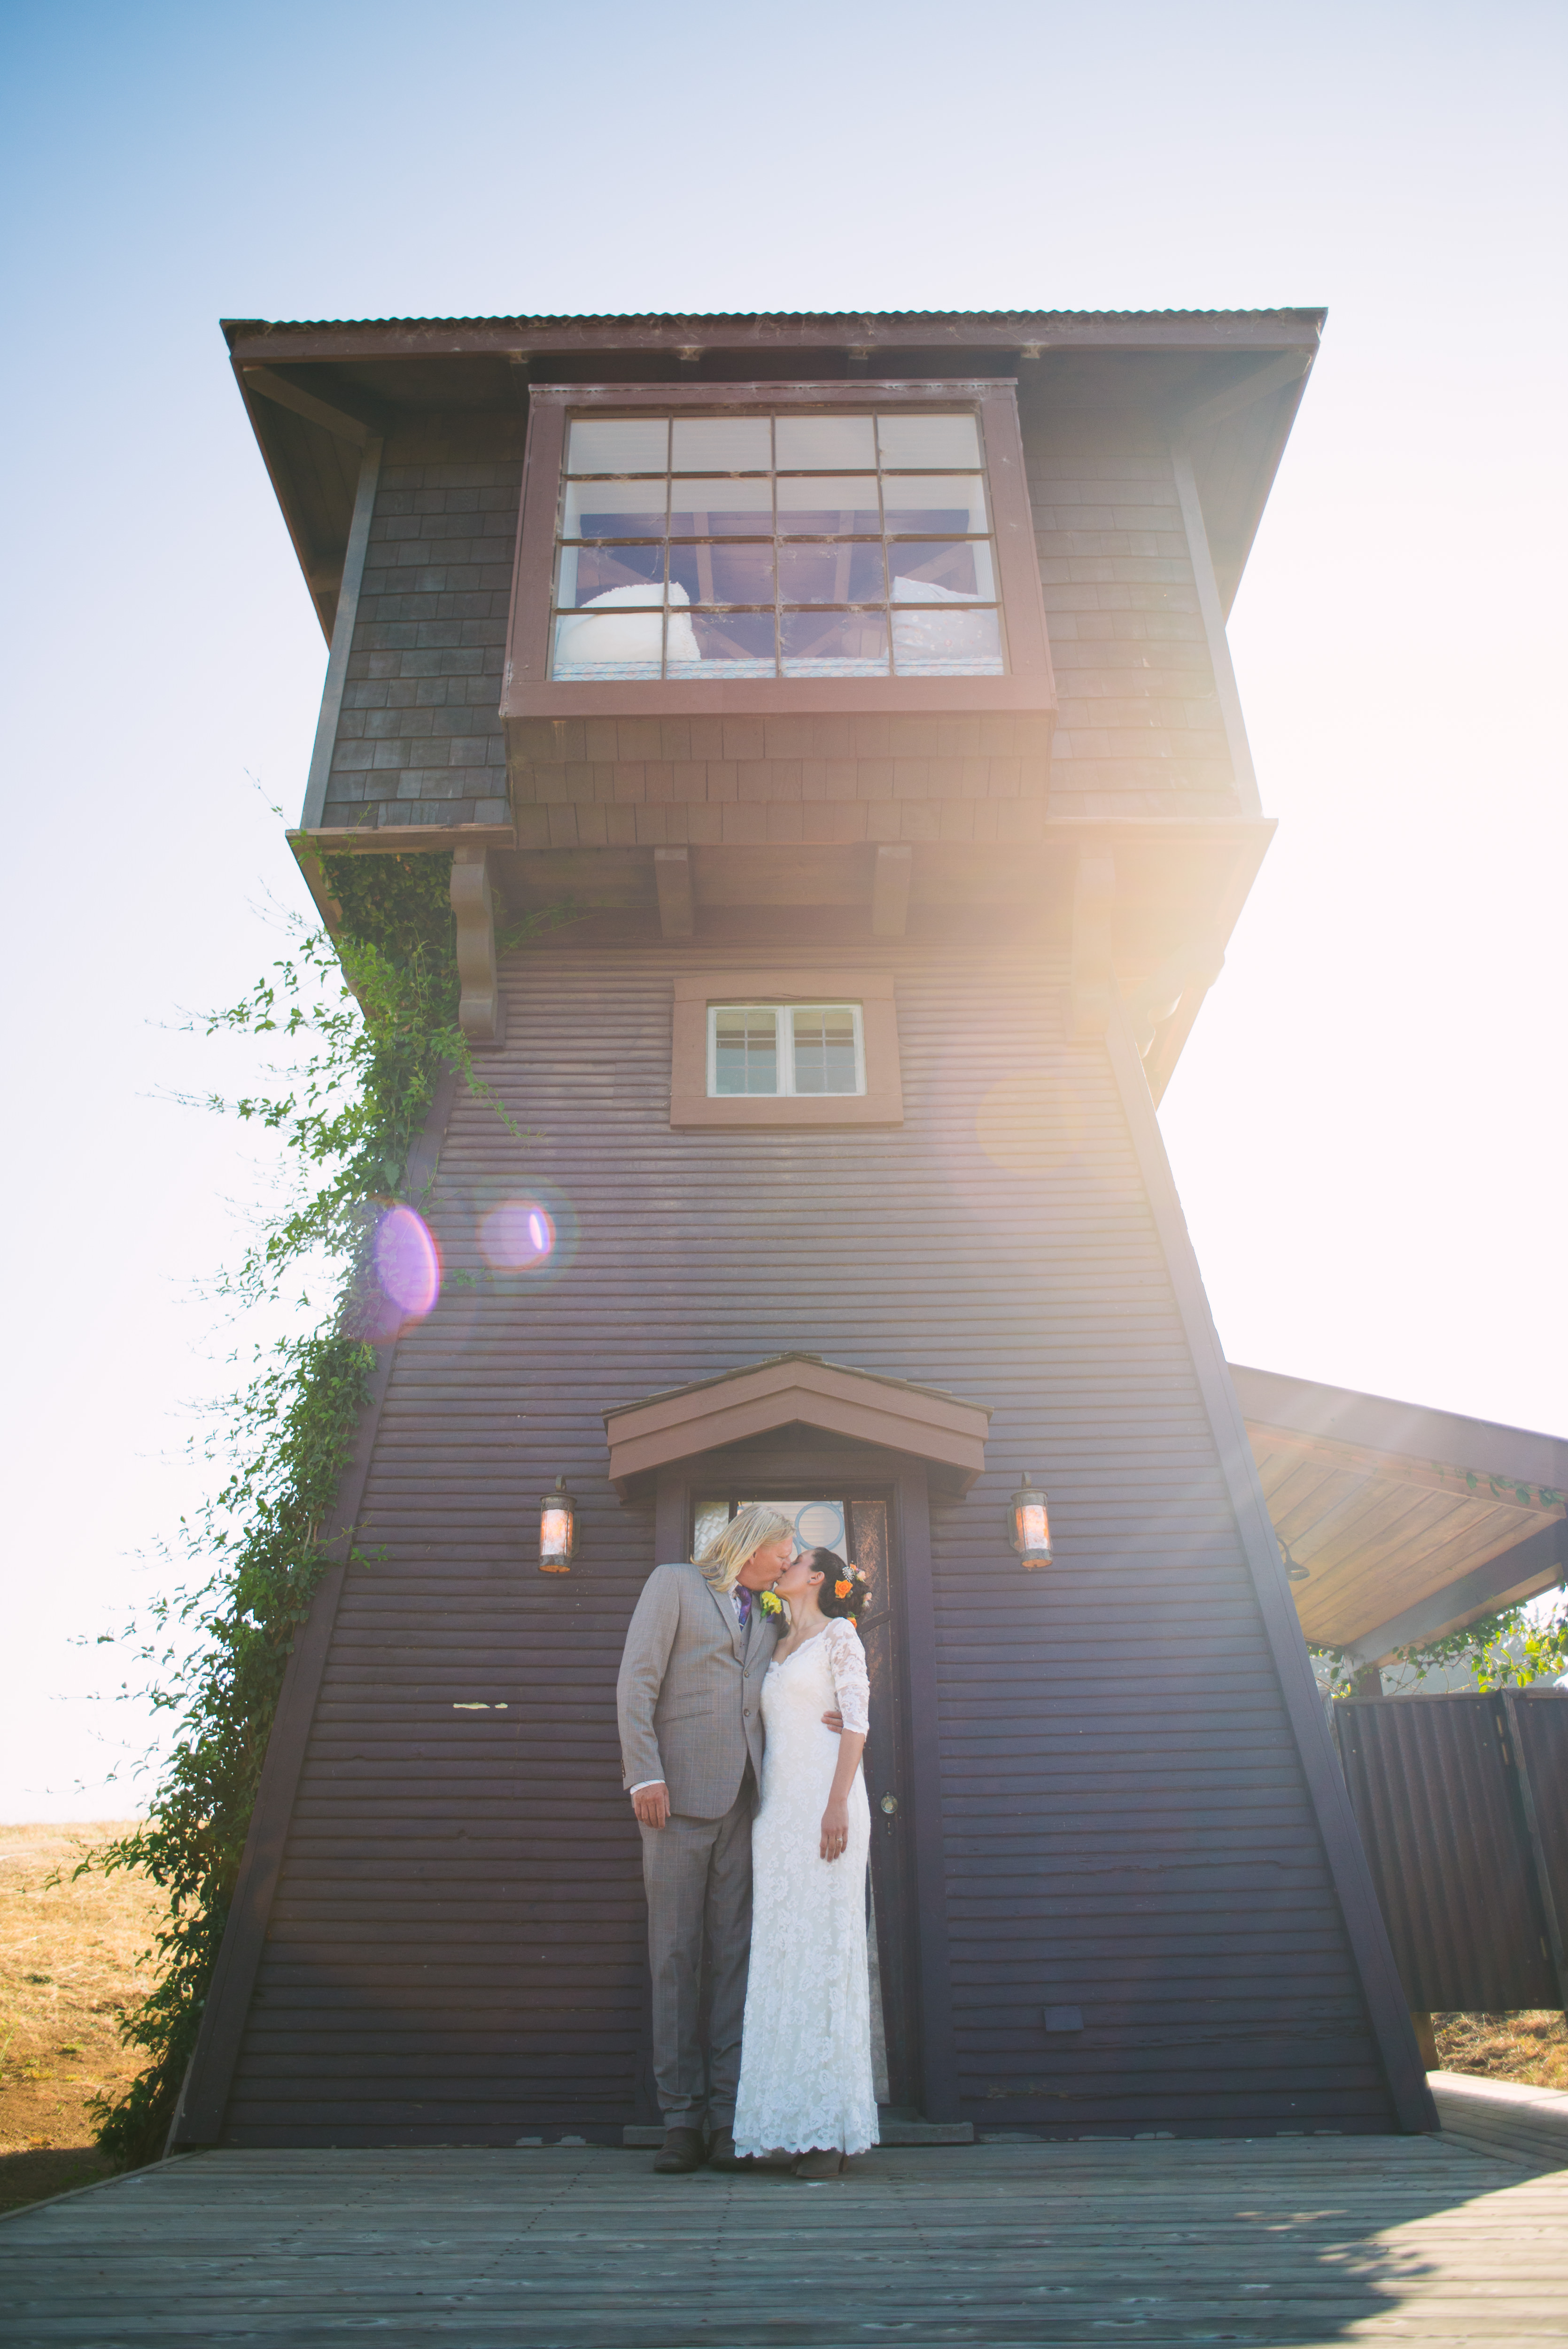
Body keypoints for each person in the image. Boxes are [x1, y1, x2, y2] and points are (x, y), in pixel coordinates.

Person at [617, 1504, 807, 2175]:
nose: (788, 1561)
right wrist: (644, 1775)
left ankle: (729, 2119)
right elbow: (636, 1682)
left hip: (748, 1803)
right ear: (751, 1546)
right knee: (673, 1956)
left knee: (733, 1961)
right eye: (783, 1550)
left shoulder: (773, 1611)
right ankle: (679, 2119)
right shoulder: (673, 1584)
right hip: (674, 1801)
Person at [731, 1546, 878, 2177]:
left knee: (824, 1956)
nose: (783, 1567)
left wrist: (837, 1804)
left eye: (794, 1563)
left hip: (827, 1806)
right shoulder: (773, 1639)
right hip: (778, 1814)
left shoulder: (840, 1635)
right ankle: (782, 2124)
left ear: (816, 1578)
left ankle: (828, 2133)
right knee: (781, 1958)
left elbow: (856, 1723)